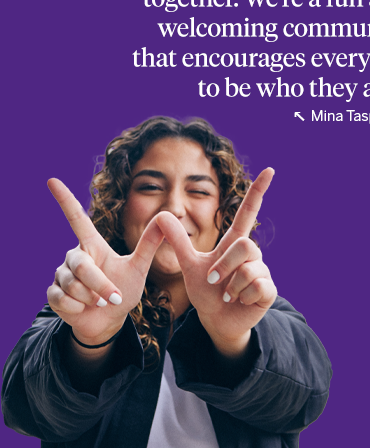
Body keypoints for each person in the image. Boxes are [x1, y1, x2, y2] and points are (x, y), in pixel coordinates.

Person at [2, 116, 332, 448]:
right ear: (120, 206)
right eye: (150, 187)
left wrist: (234, 341)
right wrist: (89, 342)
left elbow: (307, 399)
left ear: (224, 213)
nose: (173, 209)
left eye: (199, 190)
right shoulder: (74, 309)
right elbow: (24, 410)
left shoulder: (263, 310)